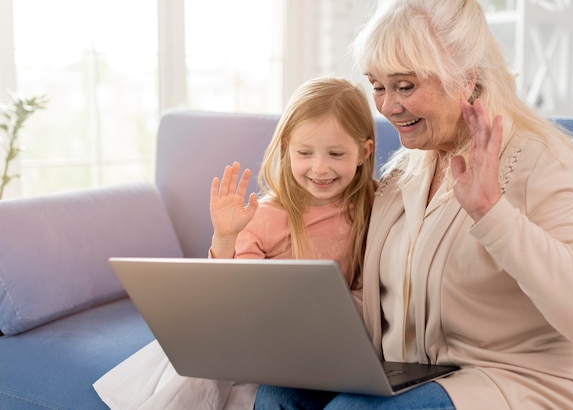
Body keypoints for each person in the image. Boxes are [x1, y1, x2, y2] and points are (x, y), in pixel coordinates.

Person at [254, 0, 573, 409]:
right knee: (277, 396)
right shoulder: (403, 172)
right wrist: (292, 320)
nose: (388, 106)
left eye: (405, 86)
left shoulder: (541, 162)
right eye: (377, 86)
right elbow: (387, 301)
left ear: (466, 77)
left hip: (525, 382)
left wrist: (493, 214)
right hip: (419, 375)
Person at [92, 76, 377, 409]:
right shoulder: (267, 214)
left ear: (363, 152)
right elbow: (231, 295)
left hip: (323, 347)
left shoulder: (374, 204)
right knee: (214, 375)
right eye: (305, 152)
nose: (319, 167)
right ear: (286, 149)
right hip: (261, 344)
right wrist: (226, 237)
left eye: (336, 153)